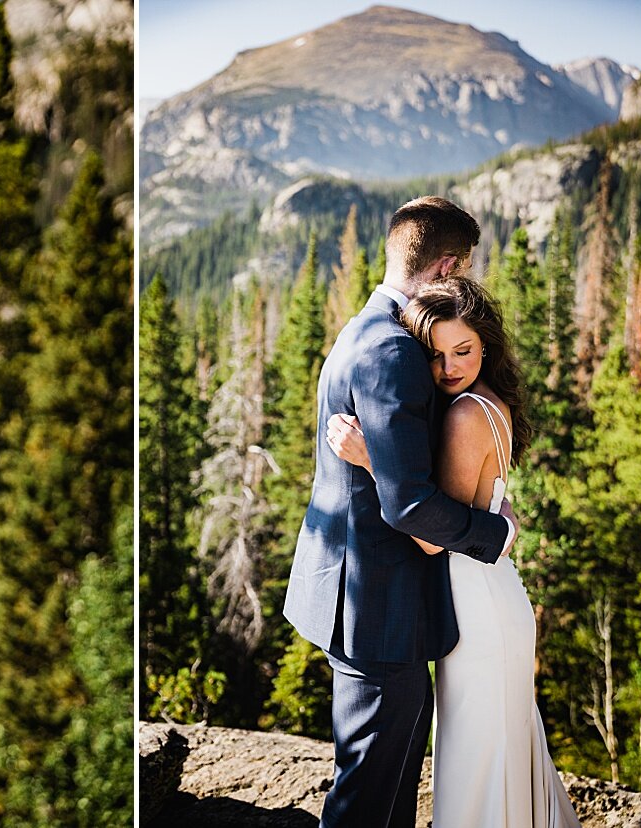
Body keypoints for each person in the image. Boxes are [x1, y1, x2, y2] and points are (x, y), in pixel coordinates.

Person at [282, 195, 519, 828]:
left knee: (376, 782)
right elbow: (410, 503)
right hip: (380, 606)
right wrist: (494, 533)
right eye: (464, 269)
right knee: (372, 796)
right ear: (446, 268)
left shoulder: (362, 327)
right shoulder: (393, 350)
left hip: (357, 593)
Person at [327, 276, 579, 827]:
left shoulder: (466, 415)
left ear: (486, 343)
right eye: (435, 355)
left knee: (478, 766)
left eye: (462, 350)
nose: (448, 368)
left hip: (478, 611)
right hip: (487, 595)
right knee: (497, 760)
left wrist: (374, 461)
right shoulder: (483, 402)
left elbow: (427, 534)